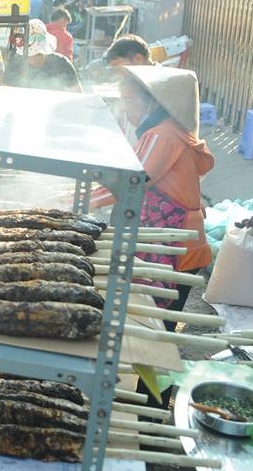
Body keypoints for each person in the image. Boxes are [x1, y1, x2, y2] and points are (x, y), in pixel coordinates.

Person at [92, 66, 214, 329]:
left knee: (157, 331)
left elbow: (131, 182)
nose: (124, 108)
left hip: (178, 247)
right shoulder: (163, 131)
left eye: (128, 100)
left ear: (152, 104)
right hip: (174, 243)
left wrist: (71, 200)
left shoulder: (162, 135)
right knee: (156, 327)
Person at [4, 19, 82, 93]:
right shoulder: (16, 64)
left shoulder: (61, 63)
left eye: (38, 54)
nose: (33, 59)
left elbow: (77, 92)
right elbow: (5, 93)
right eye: (28, 55)